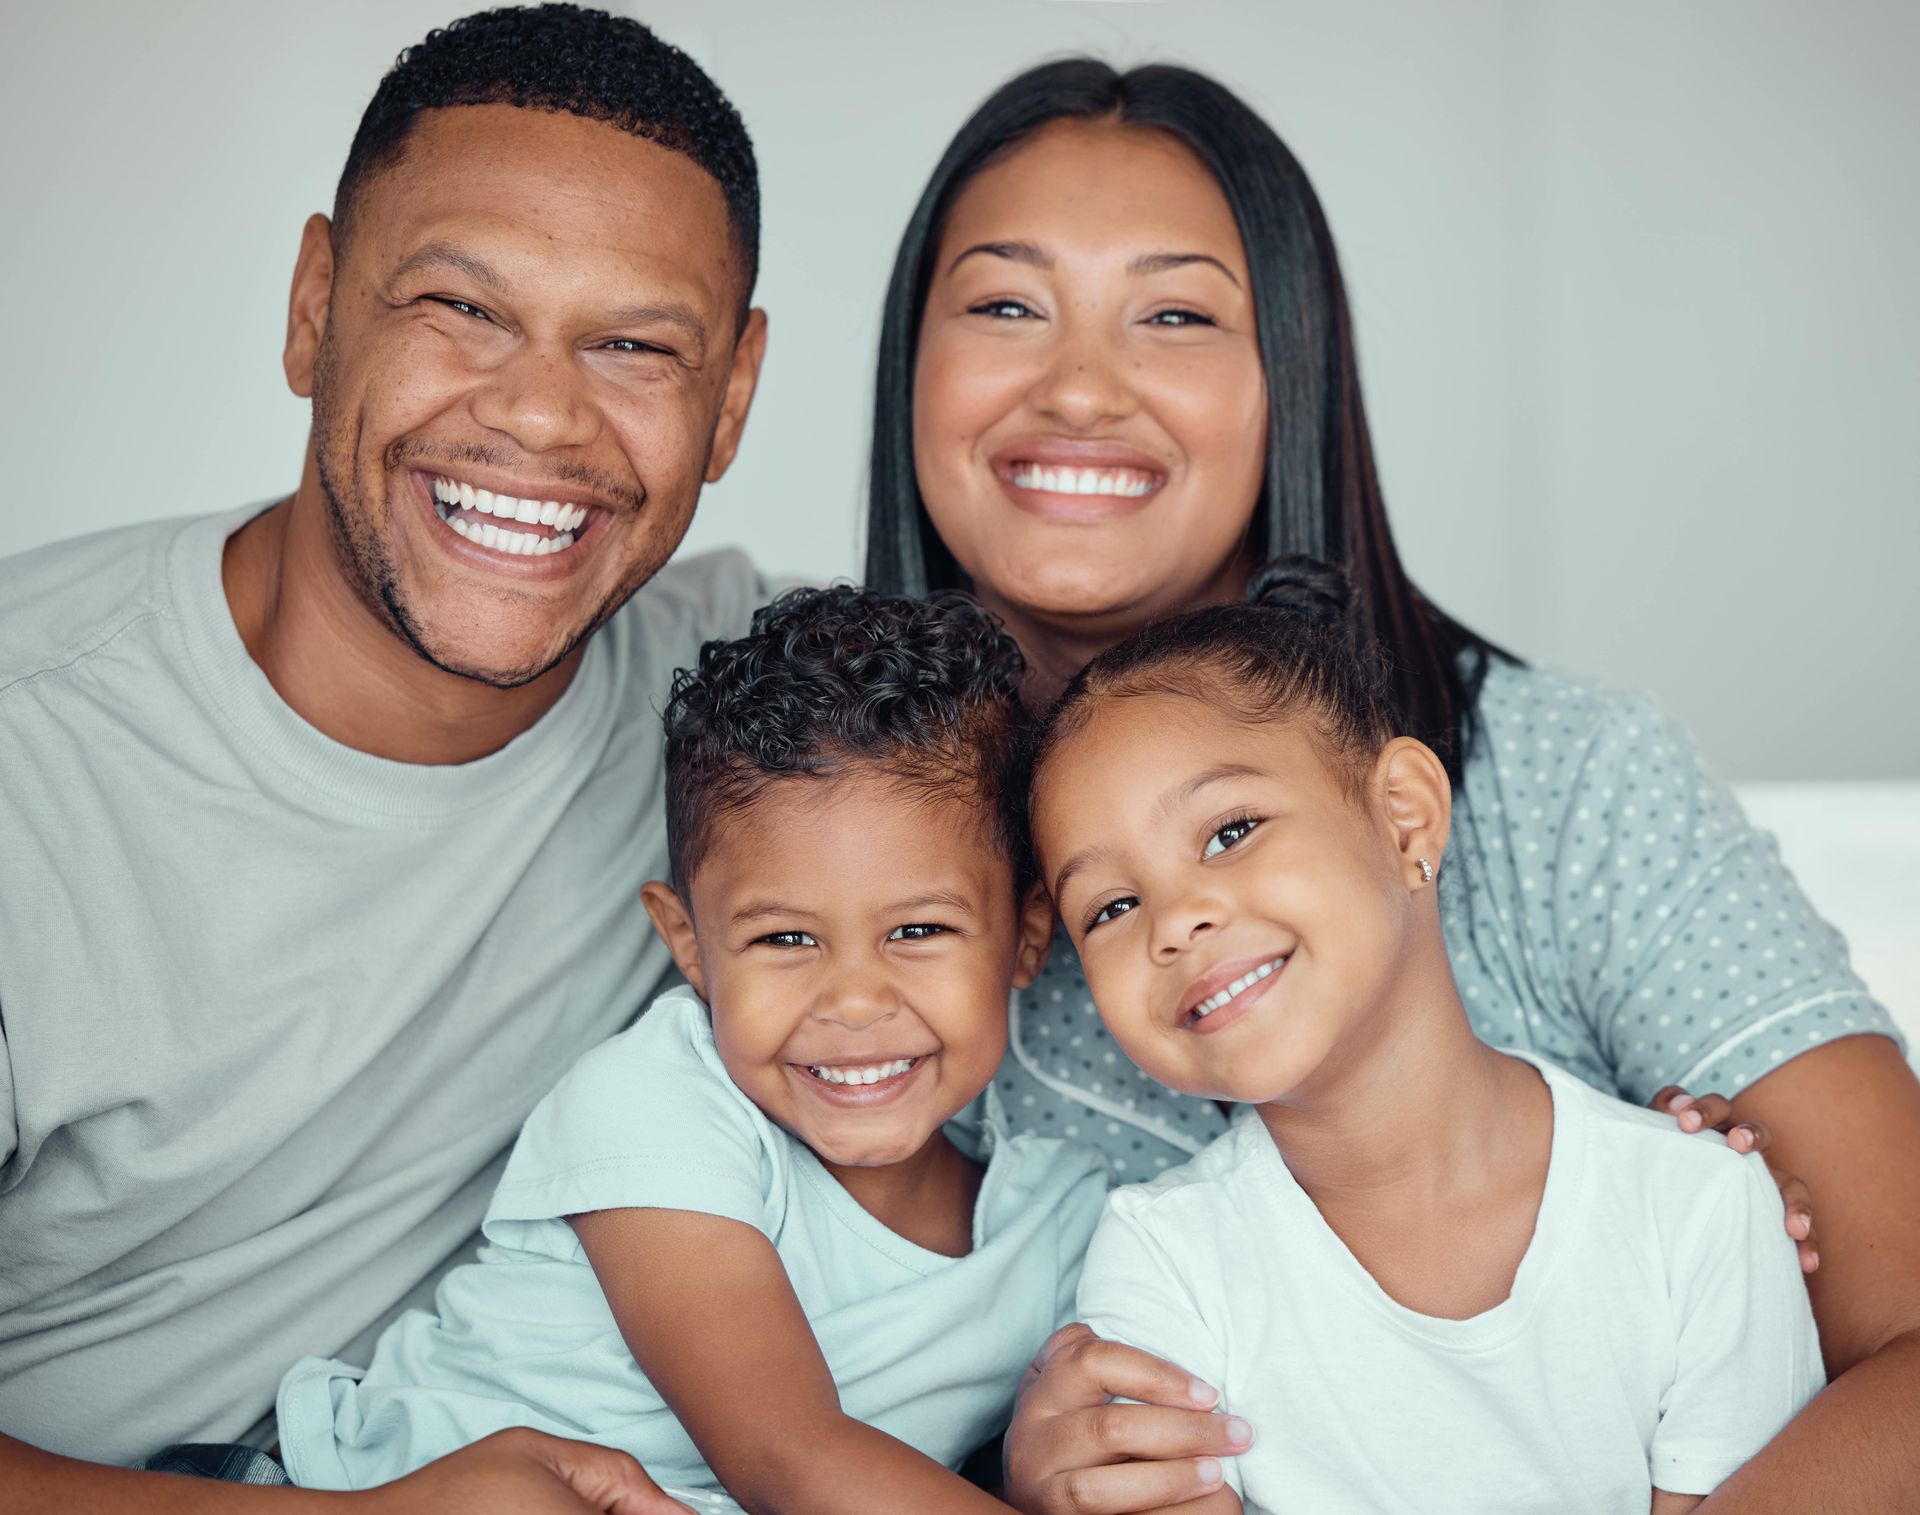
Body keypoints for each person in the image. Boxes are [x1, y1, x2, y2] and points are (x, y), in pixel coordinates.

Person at [862, 58, 1920, 1513]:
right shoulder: (829, 859)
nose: (1080, 385)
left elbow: (1909, 1345)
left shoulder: (1565, 785)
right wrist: (1016, 1478)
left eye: (1174, 313)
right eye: (1003, 305)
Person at [0, 8, 771, 1510]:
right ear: (314, 307)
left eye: (632, 346)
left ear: (730, 398)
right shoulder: (32, 759)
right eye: (460, 308)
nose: (541, 413)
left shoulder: (747, 708)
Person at [272, 585, 1111, 1511]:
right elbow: (791, 1458)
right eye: (785, 940)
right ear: (689, 946)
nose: (855, 1000)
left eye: (918, 930)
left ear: (1029, 936)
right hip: (356, 1489)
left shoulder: (1061, 1223)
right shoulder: (656, 1105)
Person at [1029, 557, 1823, 1513]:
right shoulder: (1160, 1260)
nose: (1174, 921)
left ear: (1406, 815)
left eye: (1231, 830)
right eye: (1111, 904)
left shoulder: (1701, 1207)